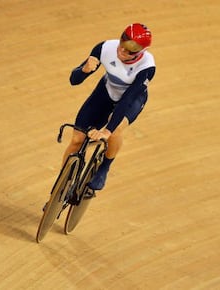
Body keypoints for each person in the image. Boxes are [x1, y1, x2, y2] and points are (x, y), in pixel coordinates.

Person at [64, 23, 156, 195]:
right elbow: (74, 81)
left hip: (131, 100)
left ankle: (104, 168)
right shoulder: (105, 47)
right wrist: (84, 70)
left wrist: (107, 131)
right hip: (107, 91)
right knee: (77, 139)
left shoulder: (147, 67)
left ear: (142, 52)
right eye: (123, 43)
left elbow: (127, 100)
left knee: (114, 132)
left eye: (130, 50)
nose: (123, 51)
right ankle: (62, 186)